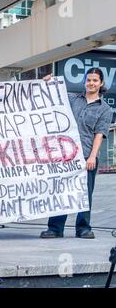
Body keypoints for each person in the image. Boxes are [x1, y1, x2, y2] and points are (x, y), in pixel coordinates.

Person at [40, 68, 113, 239]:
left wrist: (93, 156)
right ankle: (56, 228)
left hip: (87, 156)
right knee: (62, 191)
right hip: (65, 156)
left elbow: (99, 135)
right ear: (85, 82)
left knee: (85, 193)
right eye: (88, 80)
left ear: (101, 83)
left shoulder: (105, 109)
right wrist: (48, 81)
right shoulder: (73, 99)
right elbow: (54, 95)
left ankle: (83, 228)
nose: (91, 83)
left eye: (95, 80)